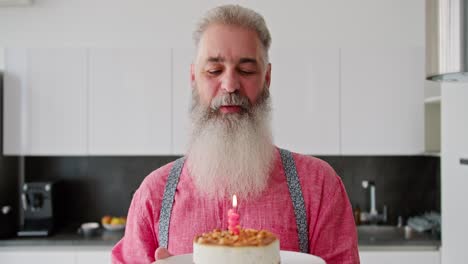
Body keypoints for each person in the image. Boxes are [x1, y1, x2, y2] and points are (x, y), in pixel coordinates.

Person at [112, 4, 359, 264]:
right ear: (194, 77)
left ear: (267, 77)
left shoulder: (319, 188)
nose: (230, 85)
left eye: (246, 70)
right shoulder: (154, 196)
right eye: (214, 71)